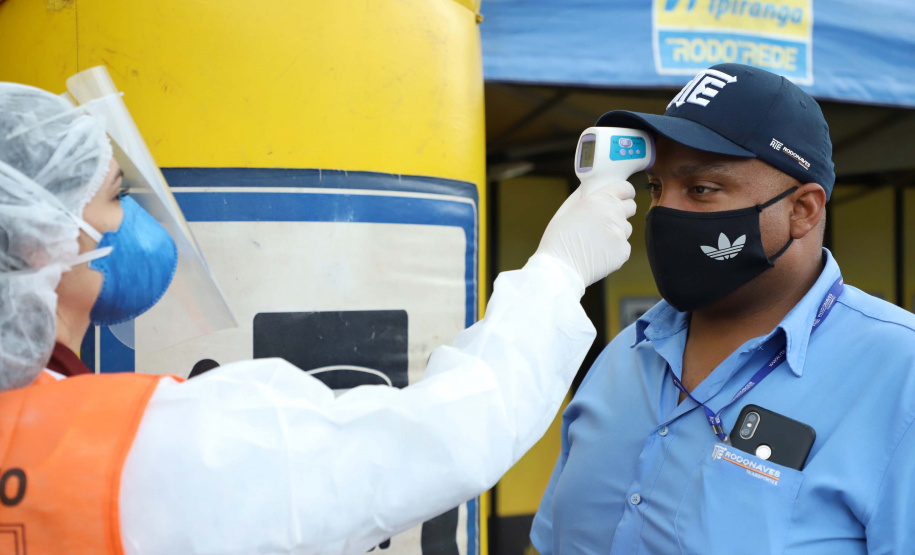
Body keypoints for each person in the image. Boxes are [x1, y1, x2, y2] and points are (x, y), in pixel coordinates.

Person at [0, 80, 638, 554]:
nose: (138, 215)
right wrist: (559, 270)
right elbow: (447, 436)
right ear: (37, 235)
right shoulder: (146, 448)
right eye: (116, 194)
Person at [531, 63, 915, 554]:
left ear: (803, 210)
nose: (664, 213)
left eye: (701, 190)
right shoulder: (625, 354)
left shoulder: (897, 375)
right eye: (656, 188)